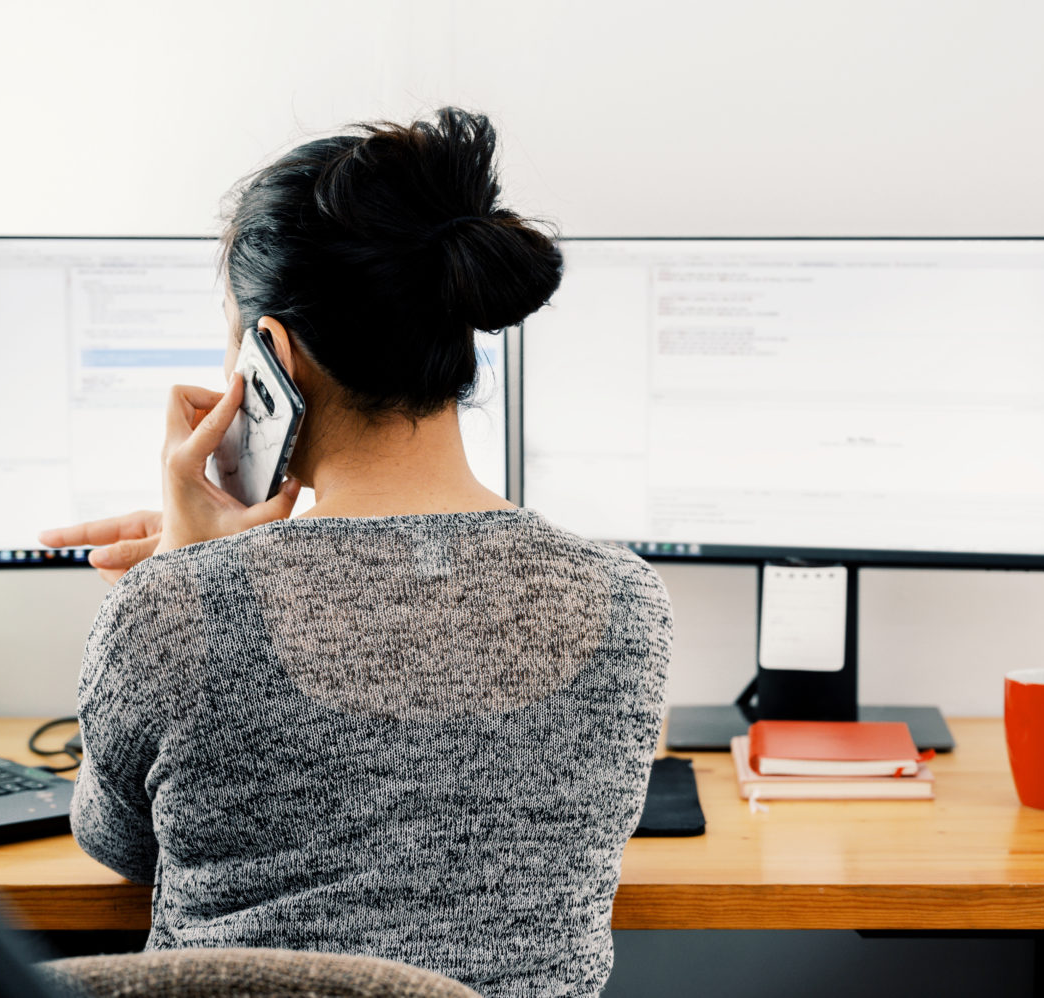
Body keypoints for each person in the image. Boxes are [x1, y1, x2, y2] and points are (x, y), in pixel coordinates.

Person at [39, 107, 672, 998]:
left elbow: (119, 848)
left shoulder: (171, 608)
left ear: (271, 360)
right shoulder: (628, 603)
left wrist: (186, 570)